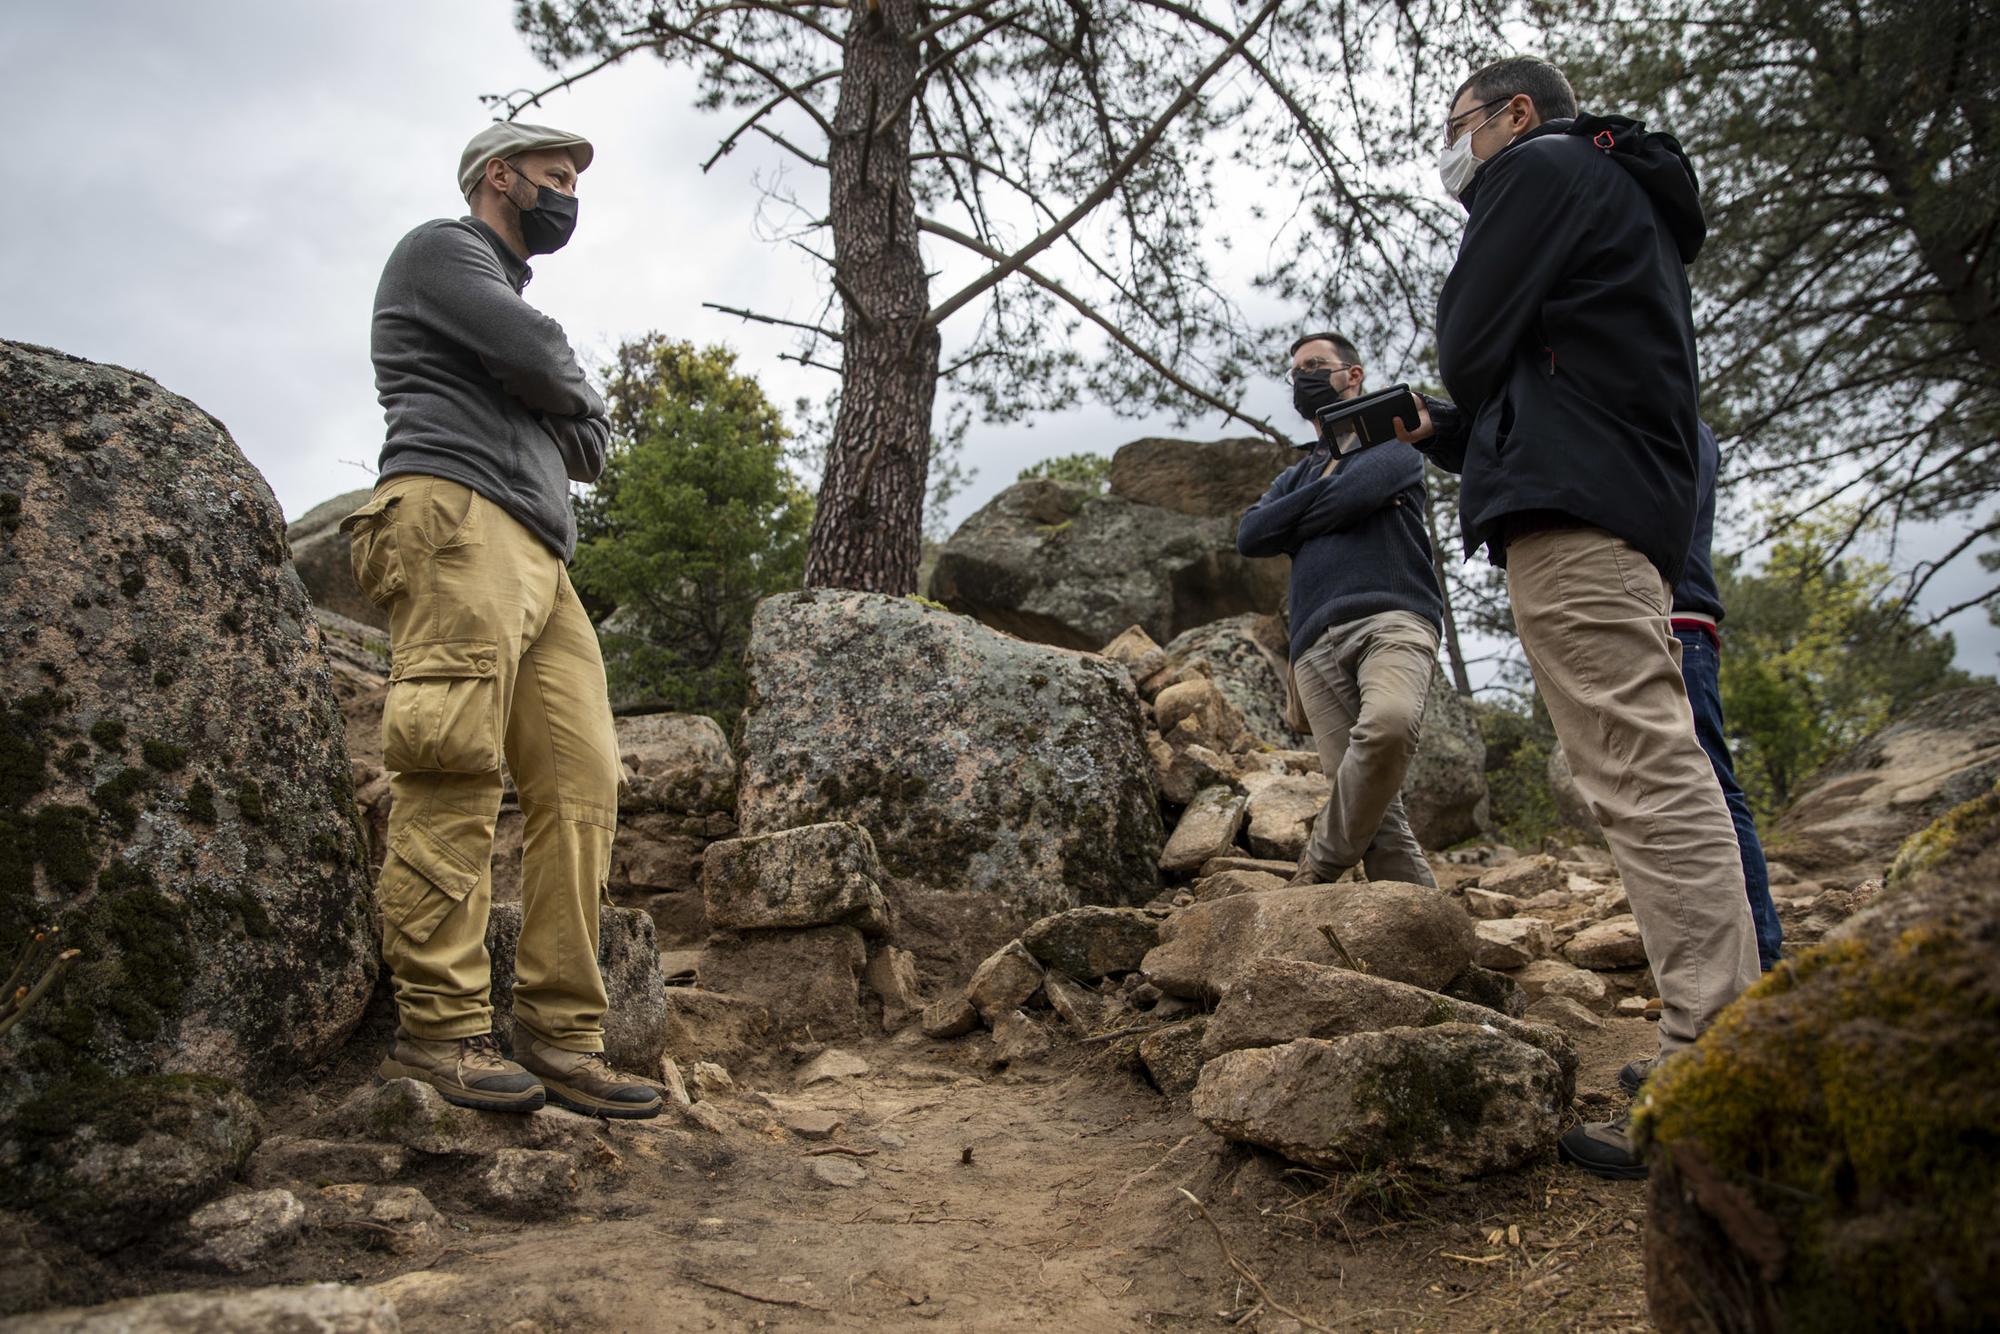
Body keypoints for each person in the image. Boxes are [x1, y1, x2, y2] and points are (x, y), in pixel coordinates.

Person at [1397, 57, 1760, 1178]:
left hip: (1581, 519)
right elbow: (1541, 380)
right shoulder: (1617, 197)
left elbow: (1467, 339)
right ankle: (1726, 1044)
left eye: (1456, 126)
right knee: (1645, 763)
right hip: (1616, 499)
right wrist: (1448, 433)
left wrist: (1460, 380)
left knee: (1643, 773)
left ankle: (1722, 1070)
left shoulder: (1542, 166)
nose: (1450, 151)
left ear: (1512, 112)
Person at [340, 123, 660, 1119]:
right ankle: (440, 1029)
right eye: (554, 177)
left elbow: (592, 443)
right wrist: (539, 374)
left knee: (583, 780)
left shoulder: (499, 300)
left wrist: (541, 383)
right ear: (498, 177)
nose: (567, 194)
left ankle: (563, 1035)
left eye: (574, 181)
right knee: (451, 758)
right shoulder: (442, 251)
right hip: (451, 513)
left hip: (541, 554)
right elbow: (543, 358)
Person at [1237, 332, 1445, 890]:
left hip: (1392, 617)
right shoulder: (1295, 473)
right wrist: (1316, 501)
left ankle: (1319, 866)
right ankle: (1426, 946)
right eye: (1296, 370)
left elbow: (1354, 494)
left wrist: (1295, 519)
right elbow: (1252, 533)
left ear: (1352, 375)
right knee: (1377, 811)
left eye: (1316, 365)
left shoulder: (1394, 442)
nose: (1303, 376)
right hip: (1311, 646)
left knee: (1389, 727)